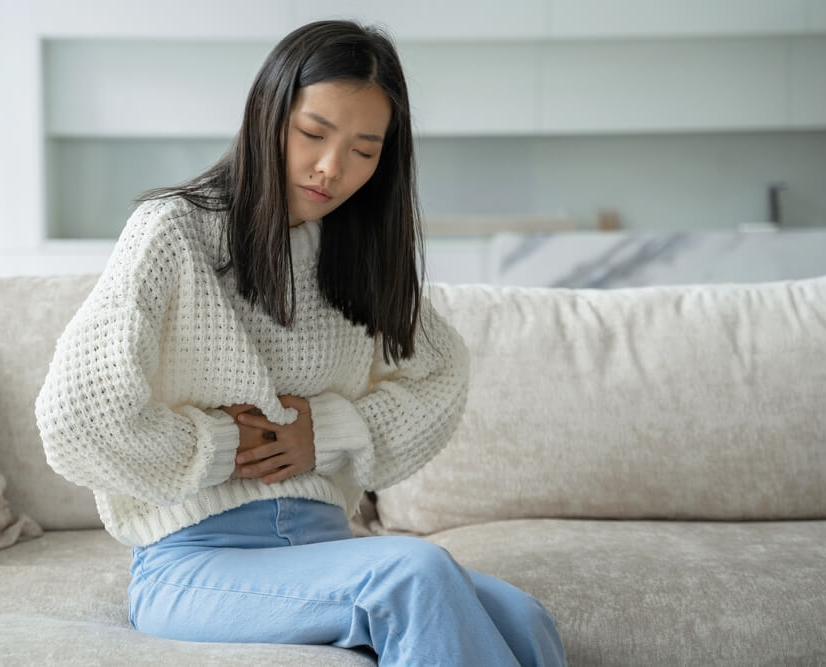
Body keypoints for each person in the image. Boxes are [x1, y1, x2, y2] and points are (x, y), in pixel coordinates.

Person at [34, 19, 566, 667]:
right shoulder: (172, 230)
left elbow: (441, 375)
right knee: (411, 573)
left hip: (323, 545)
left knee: (523, 615)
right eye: (313, 133)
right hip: (196, 560)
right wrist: (223, 445)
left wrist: (333, 431)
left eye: (365, 150)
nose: (331, 168)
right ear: (269, 112)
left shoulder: (356, 252)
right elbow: (77, 416)